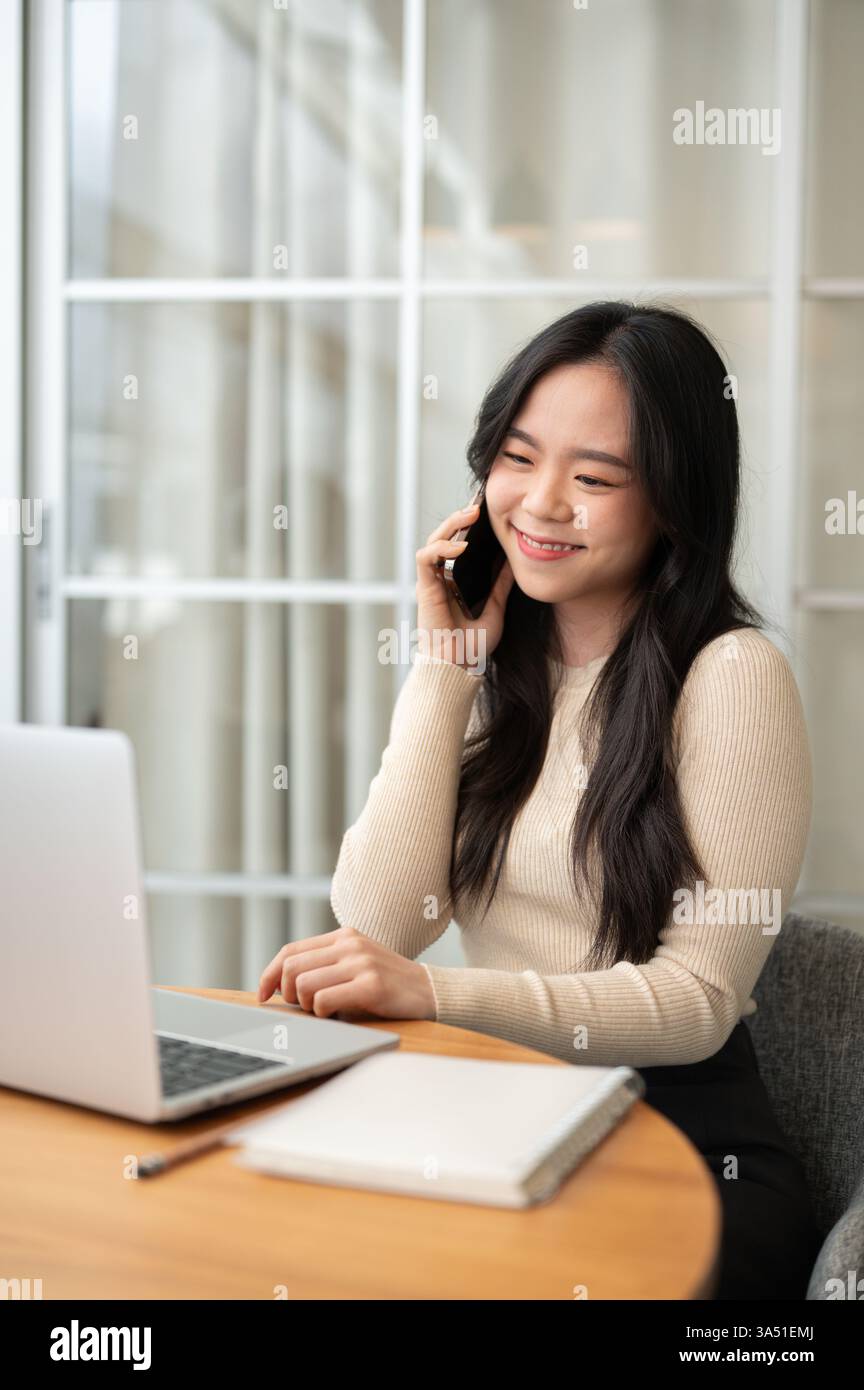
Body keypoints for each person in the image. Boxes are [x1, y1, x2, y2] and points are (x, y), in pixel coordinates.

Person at [258, 300, 824, 1299]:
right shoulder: (494, 665)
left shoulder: (731, 676)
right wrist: (446, 664)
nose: (540, 503)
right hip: (500, 1117)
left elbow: (696, 1006)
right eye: (516, 458)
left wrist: (435, 995)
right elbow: (388, 917)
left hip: (679, 1144)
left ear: (674, 502)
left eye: (595, 478)